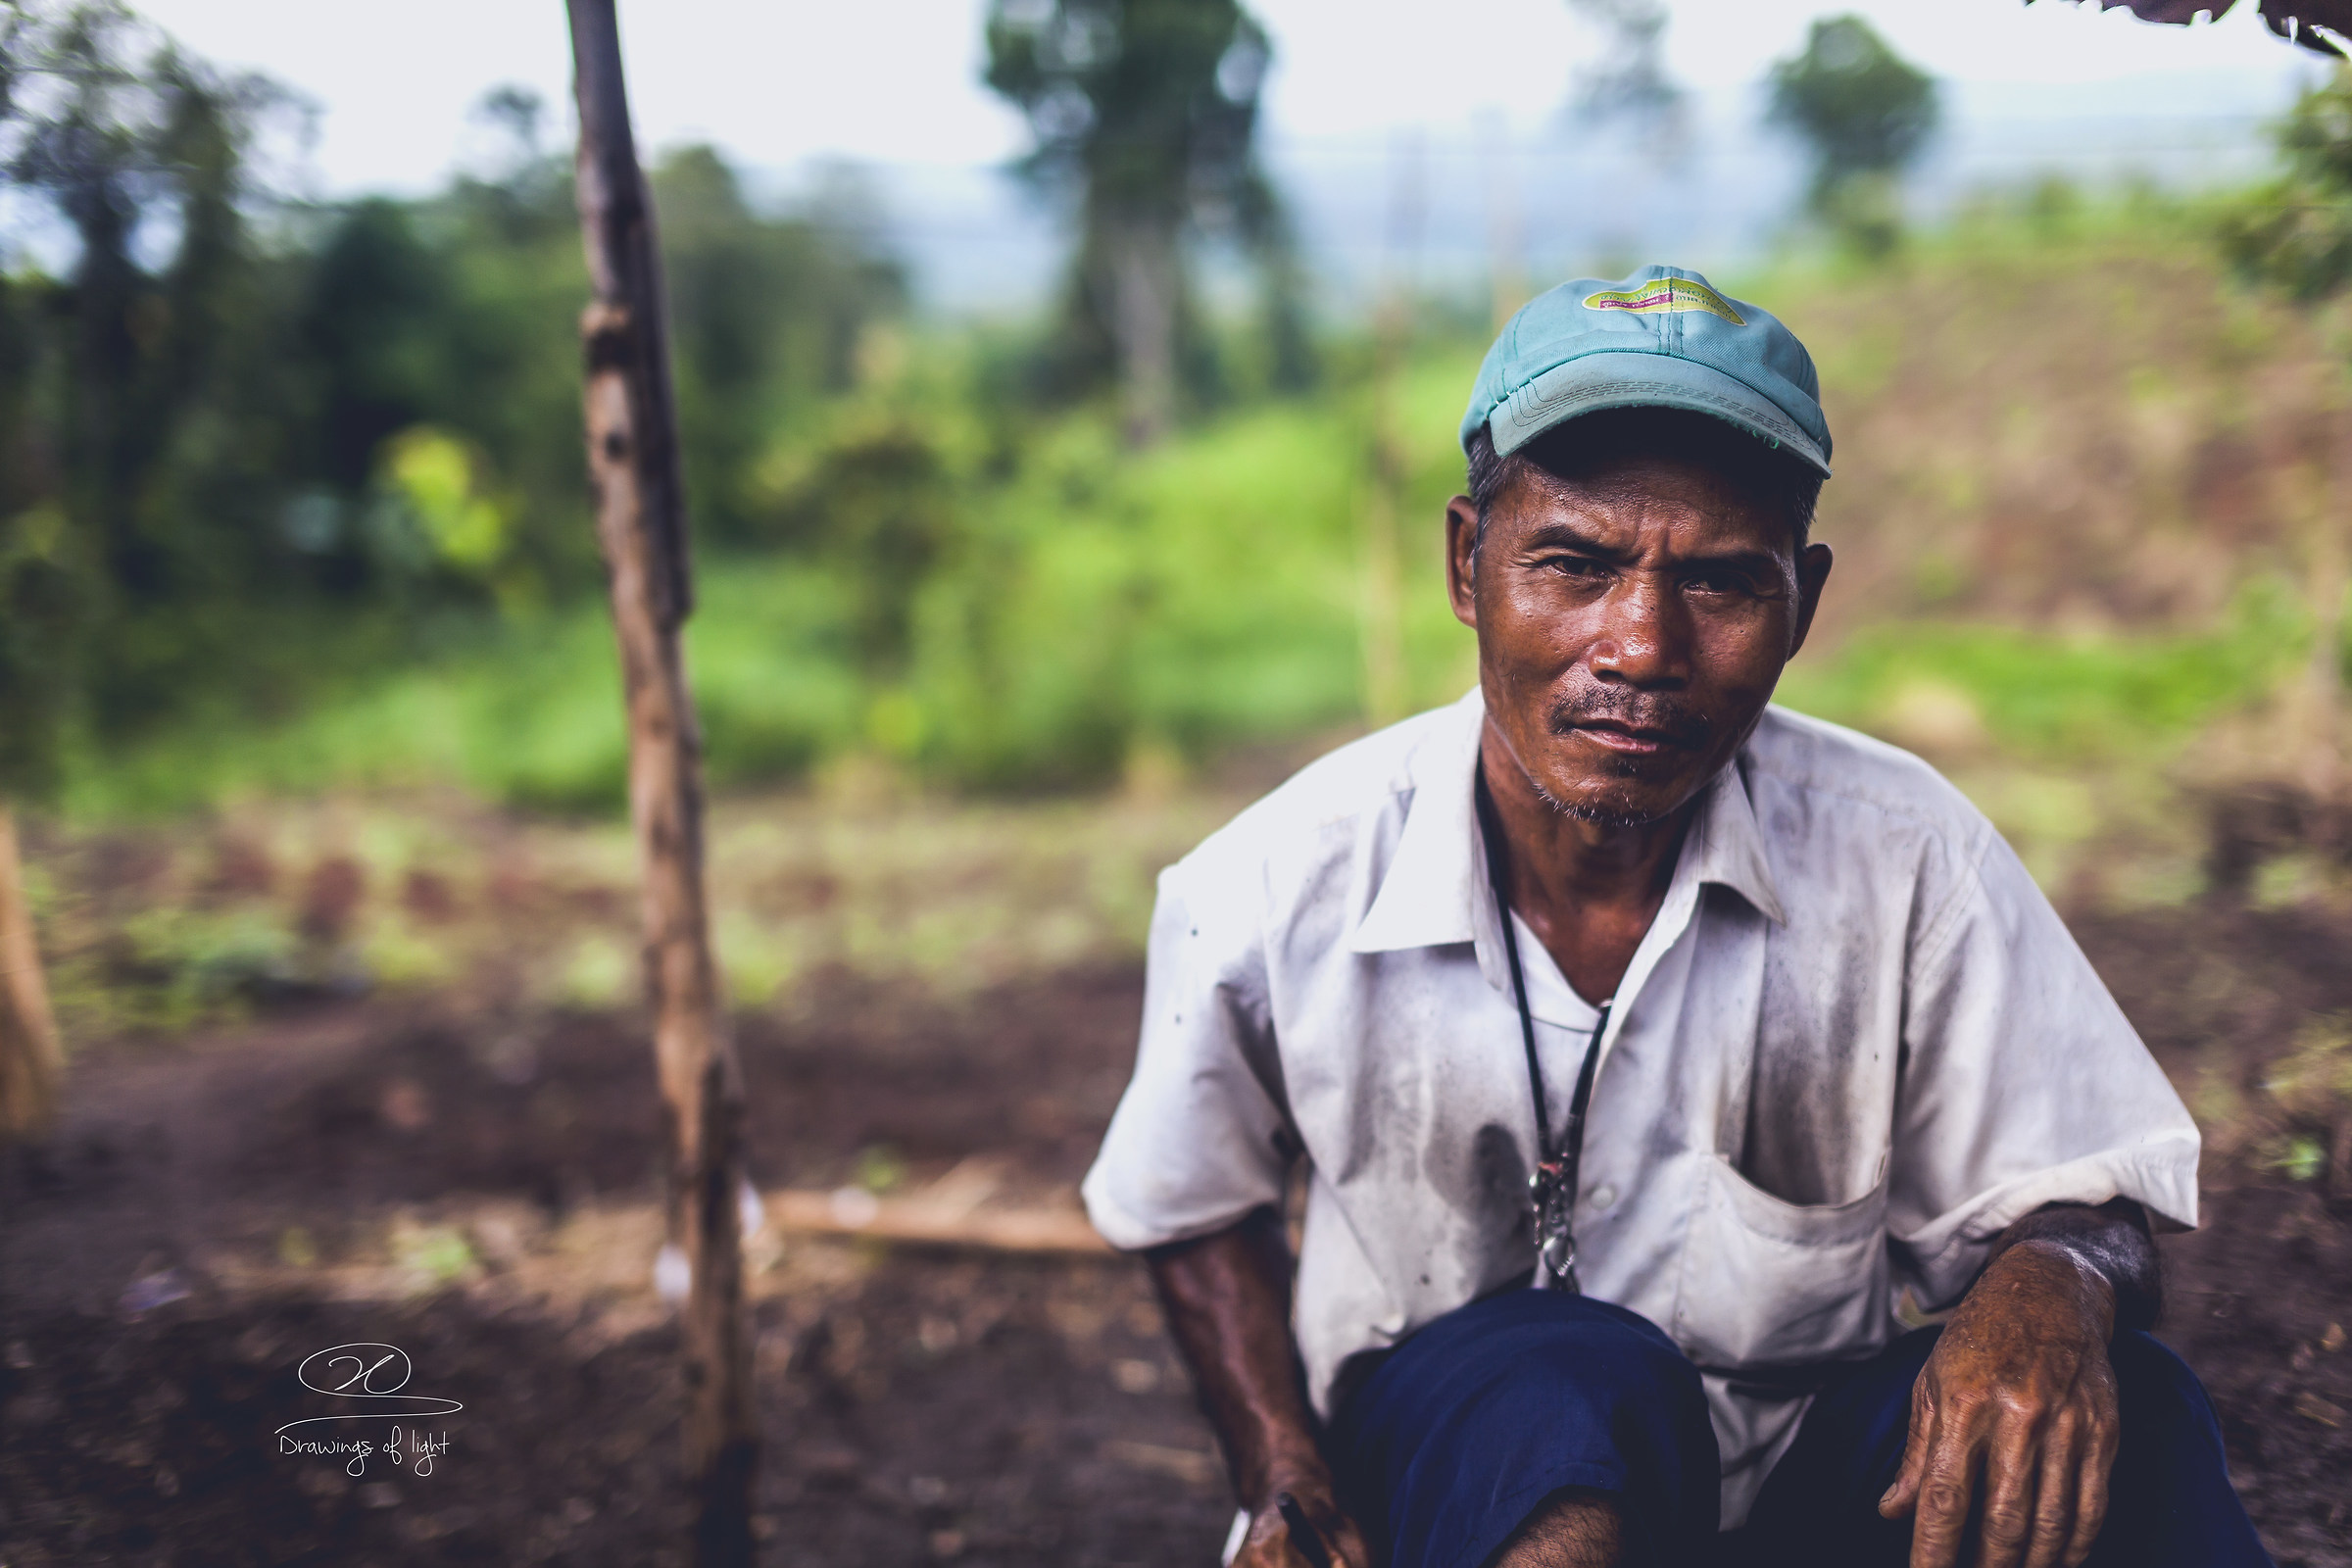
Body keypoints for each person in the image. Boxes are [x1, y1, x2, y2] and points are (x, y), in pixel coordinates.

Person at [1080, 267, 2272, 1568]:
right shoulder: (1268, 884)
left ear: (1803, 605)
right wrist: (1281, 1476)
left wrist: (2058, 1285)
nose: (1640, 646)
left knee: (2130, 1414)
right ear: (1468, 565)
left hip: (1810, 1484)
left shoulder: (1905, 856)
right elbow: (1190, 1198)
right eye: (1575, 565)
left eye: (1719, 584)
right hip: (1465, 1480)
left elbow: (2088, 1185)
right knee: (1573, 1394)